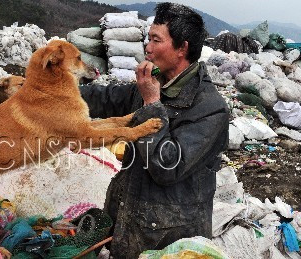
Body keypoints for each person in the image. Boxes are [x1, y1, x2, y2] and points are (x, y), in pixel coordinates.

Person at [80, 2, 229, 258]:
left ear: (182, 48)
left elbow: (167, 166)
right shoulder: (155, 84)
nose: (147, 48)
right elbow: (107, 98)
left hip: (168, 240)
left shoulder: (210, 108)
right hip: (131, 225)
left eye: (156, 40)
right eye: (148, 38)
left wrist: (151, 104)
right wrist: (55, 94)